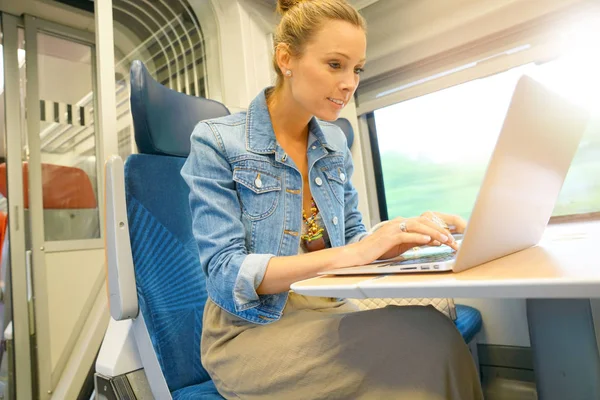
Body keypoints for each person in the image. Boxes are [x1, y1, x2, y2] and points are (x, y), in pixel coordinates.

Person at [181, 0, 483, 398]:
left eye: (357, 69)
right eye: (335, 65)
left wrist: (403, 233)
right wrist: (355, 254)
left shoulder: (334, 143)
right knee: (429, 340)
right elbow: (224, 273)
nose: (350, 83)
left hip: (329, 305)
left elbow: (355, 239)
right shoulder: (218, 140)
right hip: (251, 330)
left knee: (434, 317)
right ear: (286, 59)